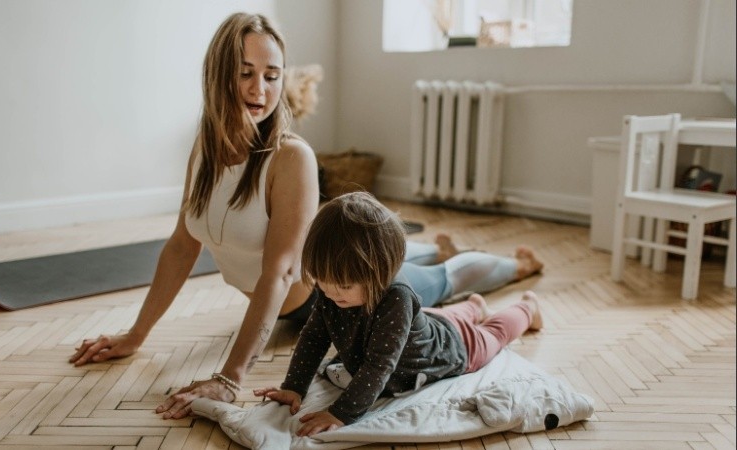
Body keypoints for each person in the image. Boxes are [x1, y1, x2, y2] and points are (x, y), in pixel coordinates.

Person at [68, 12, 543, 419]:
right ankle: (432, 254)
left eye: (272, 75)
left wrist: (230, 378)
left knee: (441, 280)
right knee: (416, 264)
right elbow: (180, 247)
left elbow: (279, 272)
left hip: (340, 293)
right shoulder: (204, 151)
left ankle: (516, 267)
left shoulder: (290, 157)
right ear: (217, 74)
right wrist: (136, 335)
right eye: (245, 73)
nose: (260, 89)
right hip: (325, 282)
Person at [253, 192, 543, 436]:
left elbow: (379, 365)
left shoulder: (397, 298)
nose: (329, 292)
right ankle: (475, 306)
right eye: (322, 282)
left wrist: (340, 413)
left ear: (380, 273)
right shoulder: (332, 291)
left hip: (453, 347)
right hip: (428, 322)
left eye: (343, 286)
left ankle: (528, 308)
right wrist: (294, 386)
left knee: (494, 333)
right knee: (444, 319)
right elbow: (314, 337)